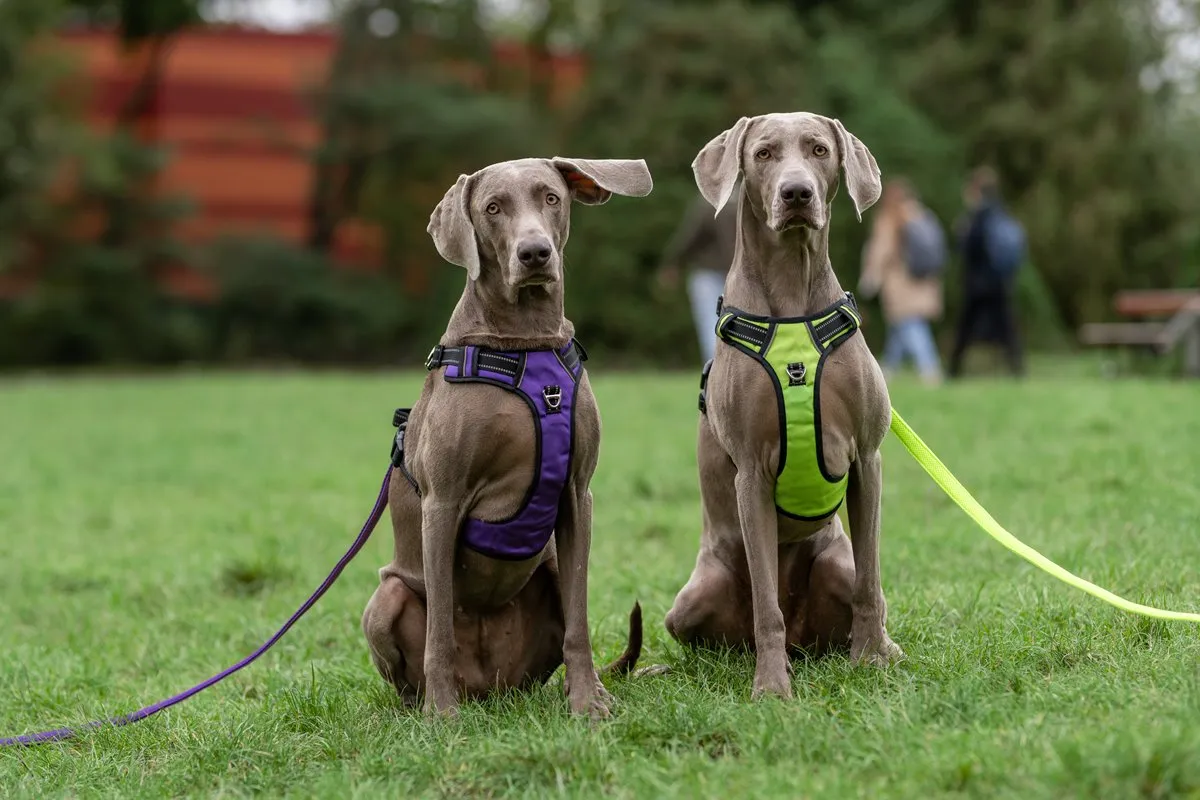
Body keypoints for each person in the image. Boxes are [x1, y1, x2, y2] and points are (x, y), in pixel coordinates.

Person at [858, 177, 945, 385]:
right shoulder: (922, 214)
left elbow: (881, 250)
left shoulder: (891, 217)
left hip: (901, 282)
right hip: (923, 281)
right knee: (899, 327)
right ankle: (888, 369)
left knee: (911, 324)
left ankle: (930, 369)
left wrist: (871, 277)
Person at [948, 166, 1026, 378]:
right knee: (1007, 328)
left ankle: (953, 371)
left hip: (979, 283)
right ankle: (1018, 369)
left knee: (965, 328)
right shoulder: (1000, 212)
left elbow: (971, 247)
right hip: (1000, 281)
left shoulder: (978, 216)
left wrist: (962, 234)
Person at [656, 191, 739, 363]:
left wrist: (673, 263)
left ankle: (715, 370)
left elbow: (689, 238)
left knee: (710, 325)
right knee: (739, 327)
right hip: (740, 274)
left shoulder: (708, 203)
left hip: (708, 273)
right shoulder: (746, 201)